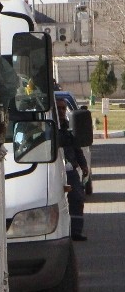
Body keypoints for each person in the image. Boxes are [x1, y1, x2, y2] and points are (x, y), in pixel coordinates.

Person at [58, 97, 89, 242]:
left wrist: (83, 165)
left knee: (77, 198)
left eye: (63, 108)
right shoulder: (46, 127)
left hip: (69, 169)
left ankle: (76, 231)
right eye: (58, 108)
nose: (61, 111)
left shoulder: (69, 129)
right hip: (53, 169)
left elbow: (77, 149)